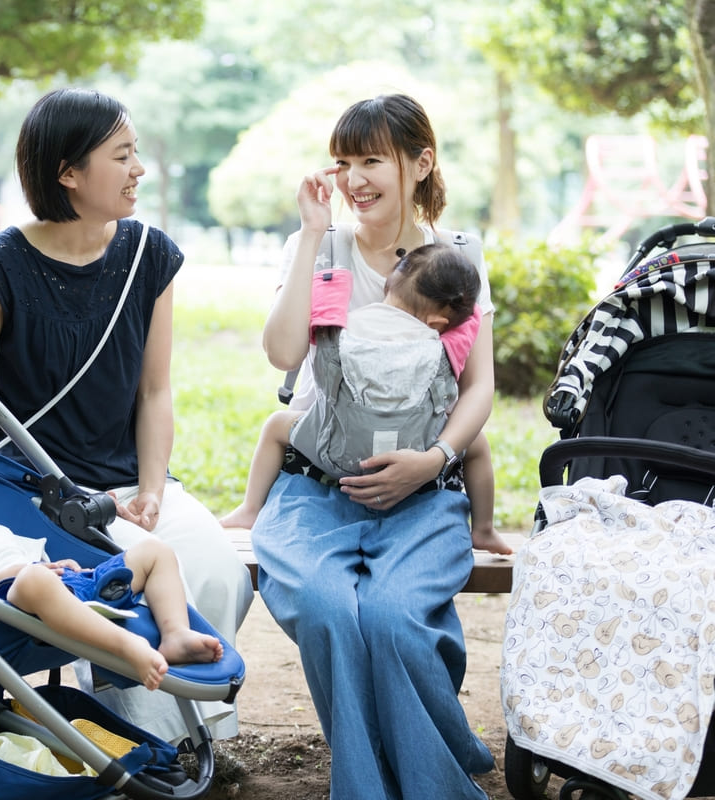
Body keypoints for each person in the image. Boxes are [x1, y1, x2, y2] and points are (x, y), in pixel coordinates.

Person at [0, 87, 254, 742]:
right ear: (69, 173)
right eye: (122, 156)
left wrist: (151, 490)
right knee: (126, 587)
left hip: (129, 485)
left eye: (136, 154)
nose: (139, 170)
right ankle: (144, 747)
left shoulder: (148, 254)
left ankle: (180, 738)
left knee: (218, 569)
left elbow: (154, 392)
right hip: (39, 491)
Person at [252, 94, 498, 798]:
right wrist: (310, 235)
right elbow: (282, 354)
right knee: (328, 608)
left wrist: (434, 460)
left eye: (372, 161)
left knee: (394, 617)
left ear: (420, 164)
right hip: (315, 490)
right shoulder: (320, 249)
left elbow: (478, 387)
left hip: (423, 494)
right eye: (344, 162)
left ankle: (432, 771)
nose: (355, 179)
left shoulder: (456, 262)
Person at [0, 443, 223, 690]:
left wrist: (58, 566)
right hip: (17, 608)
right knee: (31, 579)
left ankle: (175, 632)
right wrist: (26, 574)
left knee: (154, 551)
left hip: (67, 587)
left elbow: (34, 563)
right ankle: (127, 646)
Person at [221, 243, 511, 555]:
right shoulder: (445, 344)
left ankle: (250, 508)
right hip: (416, 449)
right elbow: (471, 342)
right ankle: (483, 529)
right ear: (441, 323)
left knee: (276, 425)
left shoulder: (345, 326)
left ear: (389, 285)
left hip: (336, 453)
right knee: (476, 443)